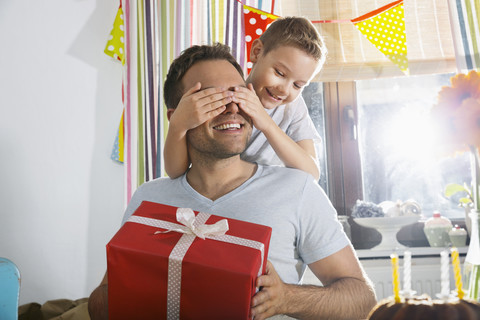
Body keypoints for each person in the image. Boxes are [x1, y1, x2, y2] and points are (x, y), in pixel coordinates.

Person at [88, 43, 376, 320]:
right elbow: (102, 302)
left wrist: (286, 298)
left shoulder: (297, 190)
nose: (232, 108)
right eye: (211, 99)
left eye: (238, 95)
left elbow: (362, 302)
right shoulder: (148, 198)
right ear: (177, 118)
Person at [163, 17, 325, 181]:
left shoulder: (293, 108)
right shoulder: (229, 101)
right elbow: (176, 172)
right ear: (256, 52)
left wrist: (266, 123)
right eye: (280, 73)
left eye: (297, 85)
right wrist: (177, 126)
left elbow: (312, 173)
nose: (284, 89)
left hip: (268, 190)